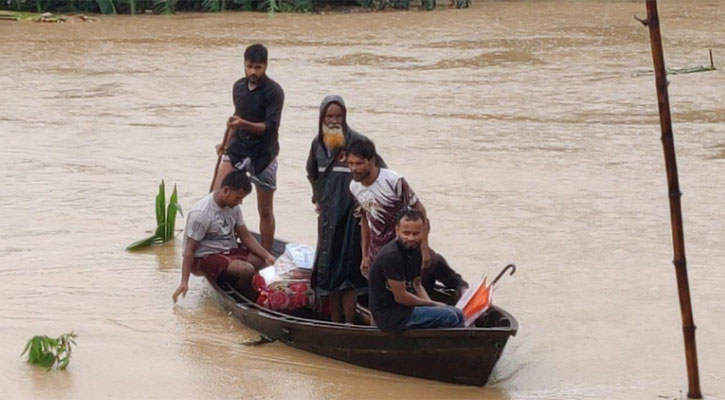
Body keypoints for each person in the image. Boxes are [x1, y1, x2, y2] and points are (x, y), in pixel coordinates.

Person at [305, 95, 383, 323]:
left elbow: (379, 174)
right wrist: (317, 198)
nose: (333, 120)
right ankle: (335, 322)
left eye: (338, 116)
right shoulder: (317, 145)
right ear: (322, 118)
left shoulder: (358, 143)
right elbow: (312, 173)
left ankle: (349, 324)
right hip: (328, 219)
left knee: (347, 275)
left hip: (352, 220)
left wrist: (366, 204)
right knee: (328, 271)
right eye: (329, 116)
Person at [213, 43, 285, 251]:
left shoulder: (274, 92)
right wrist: (225, 143)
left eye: (258, 67)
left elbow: (270, 128)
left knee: (264, 210)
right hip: (238, 148)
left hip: (264, 154)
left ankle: (267, 254)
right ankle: (220, 243)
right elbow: (237, 116)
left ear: (266, 66)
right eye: (250, 67)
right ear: (244, 65)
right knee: (219, 196)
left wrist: (243, 124)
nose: (253, 72)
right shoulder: (238, 87)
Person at [173, 170, 276, 304]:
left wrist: (267, 255)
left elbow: (245, 236)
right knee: (247, 270)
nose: (240, 202)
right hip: (205, 257)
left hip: (228, 251)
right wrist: (184, 282)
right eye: (238, 198)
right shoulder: (201, 213)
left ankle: (238, 284)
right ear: (226, 190)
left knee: (262, 261)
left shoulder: (234, 208)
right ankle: (248, 298)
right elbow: (189, 250)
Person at [368, 209, 464, 332]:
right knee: (450, 317)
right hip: (391, 315)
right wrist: (433, 305)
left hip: (406, 309)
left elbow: (417, 285)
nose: (411, 238)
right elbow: (401, 297)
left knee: (458, 313)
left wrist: (433, 306)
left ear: (423, 232)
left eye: (416, 233)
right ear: (397, 230)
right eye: (406, 233)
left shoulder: (416, 251)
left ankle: (455, 347)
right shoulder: (391, 256)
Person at [348, 138, 431, 278]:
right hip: (377, 252)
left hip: (402, 248)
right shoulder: (354, 187)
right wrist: (365, 255)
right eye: (350, 163)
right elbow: (364, 221)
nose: (354, 168)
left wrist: (424, 247)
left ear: (372, 161)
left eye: (359, 163)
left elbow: (420, 211)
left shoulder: (393, 181)